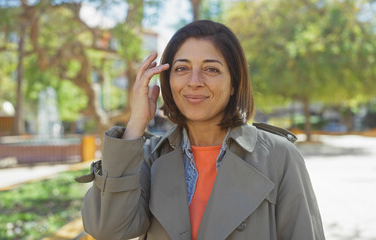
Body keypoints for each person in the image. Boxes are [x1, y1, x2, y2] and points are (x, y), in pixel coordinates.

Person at [76, 20, 325, 240]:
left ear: (233, 84)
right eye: (182, 68)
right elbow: (107, 229)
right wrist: (135, 126)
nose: (194, 81)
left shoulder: (278, 156)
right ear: (168, 81)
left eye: (211, 69)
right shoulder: (150, 156)